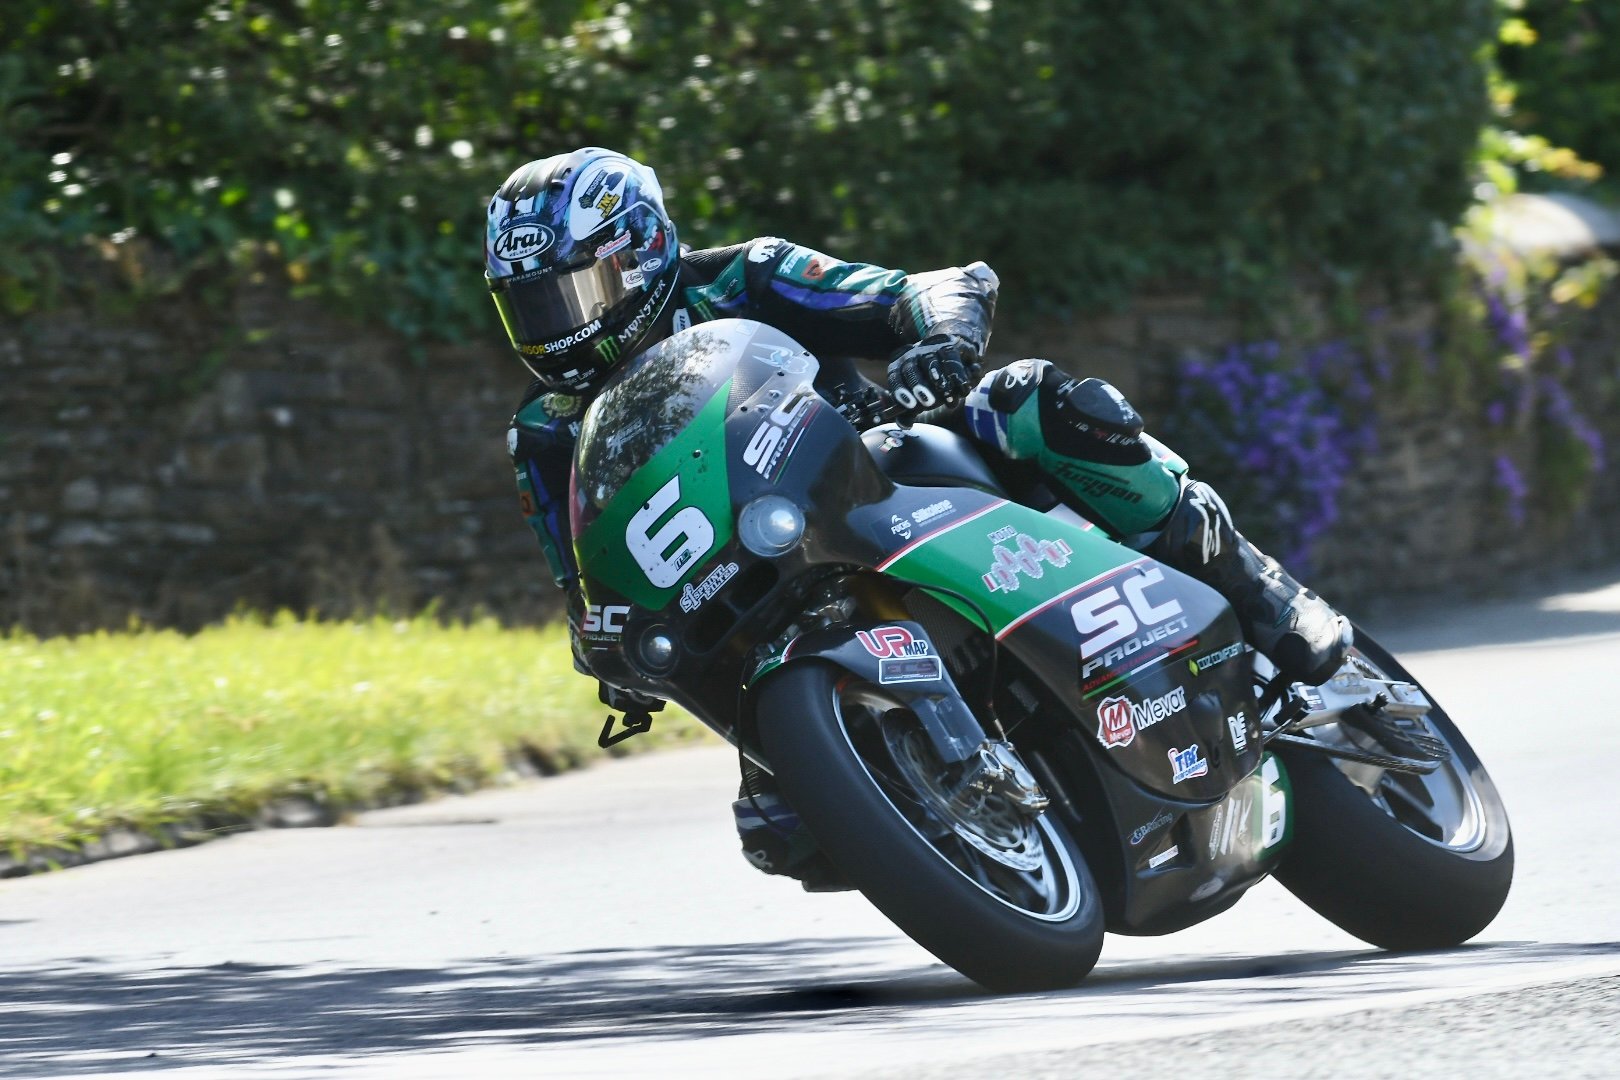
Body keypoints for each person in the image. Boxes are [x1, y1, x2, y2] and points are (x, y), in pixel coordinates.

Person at [487, 147, 1351, 888]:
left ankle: (1250, 584)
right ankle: (891, 780)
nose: (554, 324)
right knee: (788, 834)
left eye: (571, 292)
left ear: (640, 255)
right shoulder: (544, 431)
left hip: (879, 477)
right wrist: (607, 642)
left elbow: (924, 290)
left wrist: (936, 340)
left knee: (1032, 402)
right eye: (529, 305)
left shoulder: (745, 277)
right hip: (753, 579)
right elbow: (582, 567)